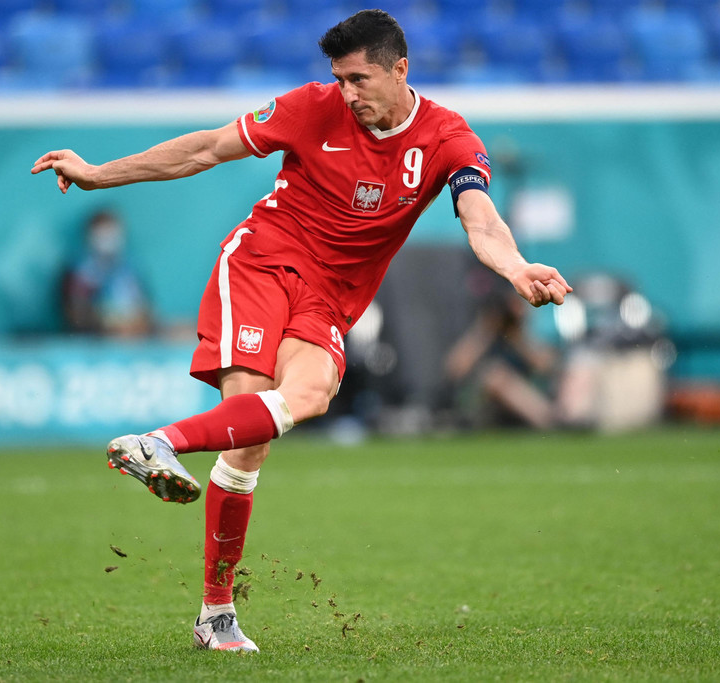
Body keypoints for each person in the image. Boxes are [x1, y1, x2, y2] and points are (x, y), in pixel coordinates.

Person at [32, 9, 572, 653]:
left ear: (400, 69)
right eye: (340, 79)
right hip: (263, 262)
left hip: (330, 299)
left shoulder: (447, 138)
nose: (348, 93)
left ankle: (159, 450)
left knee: (304, 400)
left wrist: (515, 267)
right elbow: (206, 148)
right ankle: (215, 609)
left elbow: (480, 219)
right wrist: (99, 173)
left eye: (358, 79)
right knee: (248, 426)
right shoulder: (312, 108)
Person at [445, 285, 558, 429]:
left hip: (528, 399)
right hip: (483, 404)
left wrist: (515, 336)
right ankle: (552, 422)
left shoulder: (529, 331)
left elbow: (544, 366)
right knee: (496, 376)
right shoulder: (484, 332)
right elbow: (455, 369)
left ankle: (551, 420)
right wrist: (486, 330)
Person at [61, 209, 153, 337]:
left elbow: (146, 308)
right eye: (102, 235)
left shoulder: (128, 269)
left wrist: (137, 324)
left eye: (111, 234)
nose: (108, 240)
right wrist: (105, 324)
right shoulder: (79, 273)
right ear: (89, 237)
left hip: (132, 334)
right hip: (97, 337)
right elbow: (74, 315)